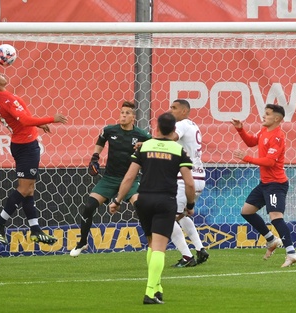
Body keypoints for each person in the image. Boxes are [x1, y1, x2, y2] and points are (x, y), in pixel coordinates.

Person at [109, 112, 196, 305]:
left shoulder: (144, 147)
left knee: (151, 244)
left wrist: (117, 200)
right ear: (174, 130)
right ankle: (149, 292)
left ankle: (157, 288)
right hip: (165, 201)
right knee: (159, 247)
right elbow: (189, 184)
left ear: (156, 127)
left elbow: (129, 177)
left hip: (144, 200)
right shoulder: (177, 150)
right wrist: (190, 206)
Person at [0, 66, 67, 245]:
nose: (2, 74)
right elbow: (25, 120)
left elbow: (21, 120)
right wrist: (51, 118)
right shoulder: (6, 99)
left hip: (19, 144)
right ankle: (0, 222)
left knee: (29, 189)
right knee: (25, 189)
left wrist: (38, 125)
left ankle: (35, 230)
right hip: (27, 147)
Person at [69, 101, 152, 257]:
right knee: (89, 206)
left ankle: (151, 244)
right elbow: (100, 142)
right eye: (122, 112)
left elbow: (153, 147)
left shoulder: (142, 135)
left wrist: (144, 149)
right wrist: (95, 157)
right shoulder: (109, 130)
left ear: (133, 117)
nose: (124, 115)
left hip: (131, 179)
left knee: (141, 206)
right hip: (110, 178)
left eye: (127, 113)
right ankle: (82, 242)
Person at [231, 103, 296, 267]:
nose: (264, 116)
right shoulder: (264, 131)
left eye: (267, 114)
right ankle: (271, 240)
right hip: (265, 183)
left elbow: (269, 162)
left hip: (276, 184)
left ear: (277, 118)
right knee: (247, 212)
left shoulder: (278, 137)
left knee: (276, 218)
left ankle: (292, 252)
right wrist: (241, 129)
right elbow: (250, 142)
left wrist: (247, 158)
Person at [169, 99, 209, 267]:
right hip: (198, 178)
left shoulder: (182, 124)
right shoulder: (194, 125)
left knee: (166, 218)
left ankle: (187, 257)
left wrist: (150, 143)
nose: (170, 110)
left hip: (184, 179)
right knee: (183, 215)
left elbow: (171, 138)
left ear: (184, 111)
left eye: (174, 108)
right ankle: (200, 250)